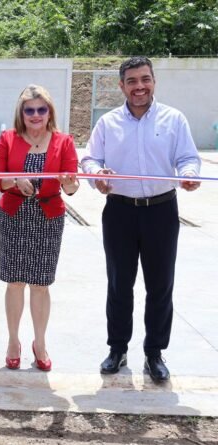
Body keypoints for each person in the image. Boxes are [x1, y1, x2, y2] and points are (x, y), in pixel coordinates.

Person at [81, 56, 201, 382]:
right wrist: (97, 176)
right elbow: (90, 159)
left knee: (160, 285)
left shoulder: (174, 119)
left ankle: (154, 353)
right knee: (120, 284)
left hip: (162, 211)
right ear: (121, 86)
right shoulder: (108, 123)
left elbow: (187, 158)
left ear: (153, 82)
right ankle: (117, 349)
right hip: (119, 211)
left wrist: (189, 174)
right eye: (132, 81)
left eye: (145, 79)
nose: (139, 87)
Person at [0, 85, 79, 372]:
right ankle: (13, 341)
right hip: (14, 215)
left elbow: (72, 186)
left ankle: (39, 343)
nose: (36, 115)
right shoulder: (8, 138)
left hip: (48, 217)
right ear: (22, 113)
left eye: (42, 109)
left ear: (50, 111)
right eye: (29, 110)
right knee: (15, 281)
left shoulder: (64, 141)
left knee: (41, 284)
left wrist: (68, 182)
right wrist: (16, 179)